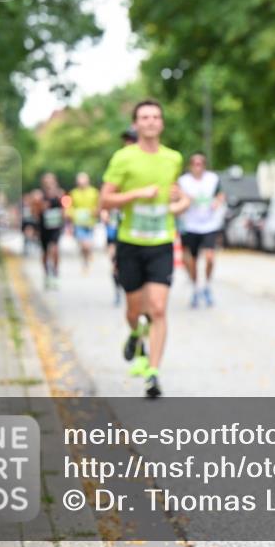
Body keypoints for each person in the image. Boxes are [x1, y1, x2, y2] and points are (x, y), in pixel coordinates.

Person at [100, 99, 189, 398]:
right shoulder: (123, 158)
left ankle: (152, 373)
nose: (150, 122)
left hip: (162, 241)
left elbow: (177, 197)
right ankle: (136, 335)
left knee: (159, 308)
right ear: (136, 124)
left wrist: (180, 202)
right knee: (134, 310)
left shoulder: (173, 158)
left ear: (161, 123)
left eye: (155, 117)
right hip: (130, 243)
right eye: (144, 117)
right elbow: (105, 200)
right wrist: (137, 193)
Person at [177, 153, 225, 308]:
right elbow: (177, 197)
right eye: (194, 164)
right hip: (190, 224)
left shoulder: (212, 179)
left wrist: (217, 202)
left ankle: (207, 285)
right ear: (190, 165)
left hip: (208, 224)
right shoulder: (183, 182)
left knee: (210, 257)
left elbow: (220, 194)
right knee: (191, 260)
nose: (198, 167)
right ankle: (195, 287)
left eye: (200, 164)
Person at [103, 127, 139, 305]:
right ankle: (118, 291)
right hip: (117, 224)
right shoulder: (119, 161)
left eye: (132, 140)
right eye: (126, 141)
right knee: (115, 260)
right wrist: (104, 211)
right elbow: (106, 193)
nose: (128, 144)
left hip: (139, 226)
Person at [37, 173, 65, 289]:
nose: (49, 184)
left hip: (56, 227)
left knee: (54, 249)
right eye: (46, 182)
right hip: (44, 227)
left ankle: (55, 272)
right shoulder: (39, 196)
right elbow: (35, 211)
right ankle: (46, 274)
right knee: (45, 252)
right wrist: (41, 206)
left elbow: (65, 208)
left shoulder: (60, 194)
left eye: (51, 181)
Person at [68, 172, 99, 273]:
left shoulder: (94, 192)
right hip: (78, 222)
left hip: (90, 222)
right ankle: (85, 261)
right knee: (83, 245)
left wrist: (95, 211)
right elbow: (69, 207)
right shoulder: (73, 193)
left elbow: (98, 205)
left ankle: (87, 257)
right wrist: (71, 214)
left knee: (87, 245)